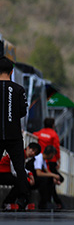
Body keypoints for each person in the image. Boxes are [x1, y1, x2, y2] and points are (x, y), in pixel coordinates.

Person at [0, 56, 29, 210]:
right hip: (14, 135)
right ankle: (22, 199)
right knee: (19, 168)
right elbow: (23, 111)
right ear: (11, 71)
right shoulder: (18, 89)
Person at [0, 142, 41, 210]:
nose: (33, 153)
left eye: (35, 153)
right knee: (20, 181)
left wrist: (30, 174)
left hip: (6, 174)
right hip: (2, 173)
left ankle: (17, 202)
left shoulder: (23, 156)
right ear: (27, 148)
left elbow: (21, 169)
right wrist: (27, 179)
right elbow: (15, 172)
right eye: (32, 150)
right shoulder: (18, 154)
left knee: (21, 181)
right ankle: (8, 203)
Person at [33, 118, 62, 208]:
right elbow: (56, 148)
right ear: (53, 125)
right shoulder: (54, 134)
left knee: (49, 180)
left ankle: (51, 201)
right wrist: (58, 160)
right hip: (51, 161)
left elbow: (33, 135)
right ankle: (52, 201)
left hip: (42, 158)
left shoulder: (39, 133)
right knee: (51, 181)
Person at [31, 145, 63, 210]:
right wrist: (53, 175)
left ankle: (47, 201)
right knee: (45, 180)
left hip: (34, 178)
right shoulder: (39, 158)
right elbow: (38, 173)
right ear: (51, 154)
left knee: (50, 180)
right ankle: (44, 202)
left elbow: (47, 172)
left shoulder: (43, 160)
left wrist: (54, 178)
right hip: (31, 179)